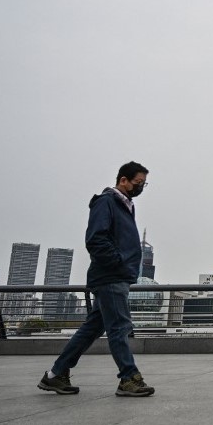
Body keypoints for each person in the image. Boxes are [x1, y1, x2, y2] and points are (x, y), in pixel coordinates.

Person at [38, 161, 155, 397]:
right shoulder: (107, 202)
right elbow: (95, 239)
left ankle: (55, 374)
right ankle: (128, 378)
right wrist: (118, 262)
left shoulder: (124, 205)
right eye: (137, 183)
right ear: (123, 179)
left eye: (144, 184)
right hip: (111, 276)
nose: (140, 187)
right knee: (120, 327)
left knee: (92, 329)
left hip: (116, 275)